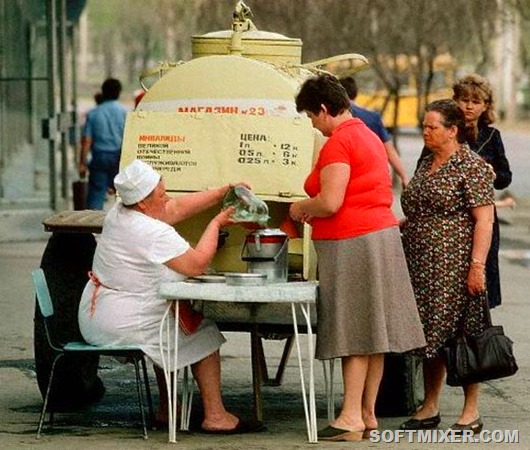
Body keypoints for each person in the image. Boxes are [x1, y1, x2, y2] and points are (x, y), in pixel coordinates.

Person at [78, 159, 263, 434]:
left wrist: (223, 190)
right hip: (121, 320)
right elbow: (197, 264)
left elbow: (174, 208)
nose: (168, 199)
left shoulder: (120, 212)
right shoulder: (150, 231)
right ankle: (216, 415)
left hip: (98, 313)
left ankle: (168, 409)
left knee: (168, 331)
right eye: (161, 195)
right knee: (203, 332)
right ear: (143, 202)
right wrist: (216, 223)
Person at [289, 74, 425, 442]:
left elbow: (331, 201)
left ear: (323, 109)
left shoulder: (339, 142)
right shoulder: (367, 134)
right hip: (380, 236)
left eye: (311, 118)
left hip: (352, 241)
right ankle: (367, 413)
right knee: (373, 332)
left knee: (352, 331)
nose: (313, 125)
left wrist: (301, 207)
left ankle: (349, 415)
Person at [401, 99, 495, 434]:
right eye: (424, 126)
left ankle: (471, 412)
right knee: (428, 335)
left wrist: (477, 267)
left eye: (432, 127)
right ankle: (430, 405)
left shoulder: (471, 166)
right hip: (420, 263)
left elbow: (485, 220)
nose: (425, 132)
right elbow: (417, 207)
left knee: (463, 335)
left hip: (454, 264)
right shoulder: (426, 161)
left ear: (452, 130)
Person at [417, 74, 512, 308]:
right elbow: (422, 168)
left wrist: (490, 173)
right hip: (446, 221)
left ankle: (477, 338)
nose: (469, 106)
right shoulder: (441, 131)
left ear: (485, 106)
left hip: (481, 217)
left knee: (479, 286)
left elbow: (505, 178)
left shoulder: (492, 137)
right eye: (464, 99)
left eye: (476, 101)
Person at [339, 76, 409, 187]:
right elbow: (390, 151)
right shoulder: (373, 117)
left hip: (343, 177)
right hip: (371, 178)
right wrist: (404, 177)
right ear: (355, 94)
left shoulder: (332, 116)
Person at [79, 78, 127, 210]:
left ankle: (94, 226)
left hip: (99, 157)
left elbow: (87, 141)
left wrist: (82, 163)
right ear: (118, 92)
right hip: (118, 157)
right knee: (123, 195)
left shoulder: (94, 113)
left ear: (103, 92)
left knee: (96, 194)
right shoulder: (124, 113)